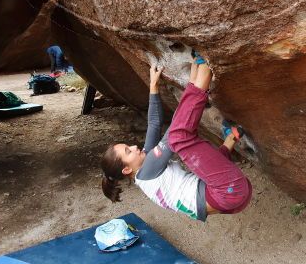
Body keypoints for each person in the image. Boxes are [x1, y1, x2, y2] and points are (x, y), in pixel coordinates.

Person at [100, 54, 252, 221]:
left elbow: (154, 124)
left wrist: (153, 86)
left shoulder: (147, 166)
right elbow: (173, 134)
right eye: (128, 151)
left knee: (186, 140)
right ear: (127, 169)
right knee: (179, 137)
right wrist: (194, 84)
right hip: (229, 191)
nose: (135, 147)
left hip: (231, 197)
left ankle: (231, 137)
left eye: (129, 146)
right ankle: (205, 70)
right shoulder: (147, 171)